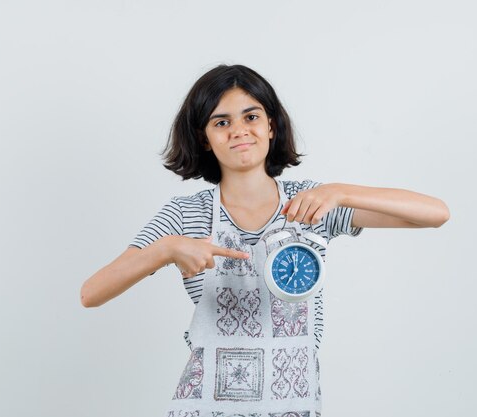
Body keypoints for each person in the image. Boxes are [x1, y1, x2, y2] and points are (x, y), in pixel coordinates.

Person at [80, 64, 450, 416]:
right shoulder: (185, 216)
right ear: (204, 139)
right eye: (221, 122)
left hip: (294, 406)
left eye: (251, 116)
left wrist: (340, 192)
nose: (239, 129)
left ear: (271, 126)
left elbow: (435, 214)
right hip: (204, 407)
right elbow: (92, 293)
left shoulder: (312, 206)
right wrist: (166, 250)